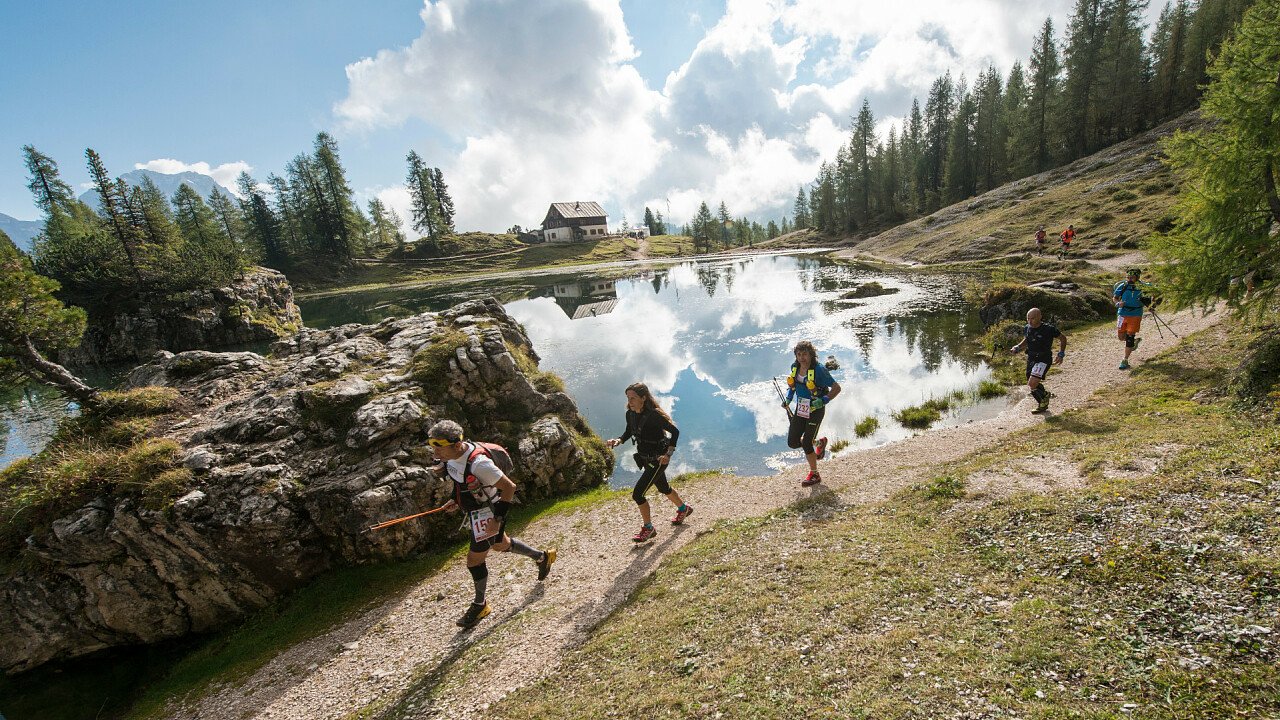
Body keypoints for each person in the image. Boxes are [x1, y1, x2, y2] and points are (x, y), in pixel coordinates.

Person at [427, 419, 556, 629]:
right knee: (500, 544)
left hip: (489, 513)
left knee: (474, 561)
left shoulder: (480, 464)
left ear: (456, 445)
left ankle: (480, 605)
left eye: (438, 447)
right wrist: (456, 499)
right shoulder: (451, 458)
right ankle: (543, 557)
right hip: (477, 510)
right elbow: (460, 480)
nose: (435, 452)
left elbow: (509, 487)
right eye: (432, 446)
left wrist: (496, 521)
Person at [605, 382, 692, 542]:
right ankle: (683, 508)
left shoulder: (654, 415)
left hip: (658, 460)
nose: (630, 401)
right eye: (628, 398)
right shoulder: (630, 414)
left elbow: (675, 432)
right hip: (644, 458)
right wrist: (618, 440)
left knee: (638, 494)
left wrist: (668, 454)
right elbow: (629, 431)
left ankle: (648, 528)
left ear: (643, 398)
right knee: (663, 488)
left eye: (633, 398)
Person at [781, 340, 841, 486]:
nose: (802, 358)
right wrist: (788, 399)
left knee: (806, 442)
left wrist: (824, 400)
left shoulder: (819, 370)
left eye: (805, 354)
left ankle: (814, 474)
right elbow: (792, 386)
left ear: (811, 355)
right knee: (793, 442)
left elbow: (836, 388)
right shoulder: (794, 368)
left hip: (816, 409)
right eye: (799, 354)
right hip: (801, 408)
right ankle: (819, 443)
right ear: (796, 355)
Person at [1009, 308, 1066, 413]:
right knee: (1031, 381)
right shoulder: (1027, 328)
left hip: (1043, 359)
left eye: (1033, 318)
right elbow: (1027, 339)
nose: (1030, 321)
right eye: (1028, 318)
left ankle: (1043, 403)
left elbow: (1063, 338)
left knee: (1032, 384)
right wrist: (1017, 347)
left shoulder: (1049, 329)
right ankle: (1045, 394)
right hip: (1031, 358)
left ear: (1040, 317)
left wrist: (1061, 354)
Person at [1113, 267, 1151, 370]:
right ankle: (1133, 343)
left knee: (1129, 336)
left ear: (1137, 277)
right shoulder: (1123, 286)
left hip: (1136, 314)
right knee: (1121, 337)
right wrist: (1117, 303)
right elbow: (1115, 297)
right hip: (1122, 314)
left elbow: (1152, 295)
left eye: (1132, 277)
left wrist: (1151, 305)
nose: (1129, 279)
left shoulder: (1144, 287)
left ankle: (1125, 360)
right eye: (1128, 277)